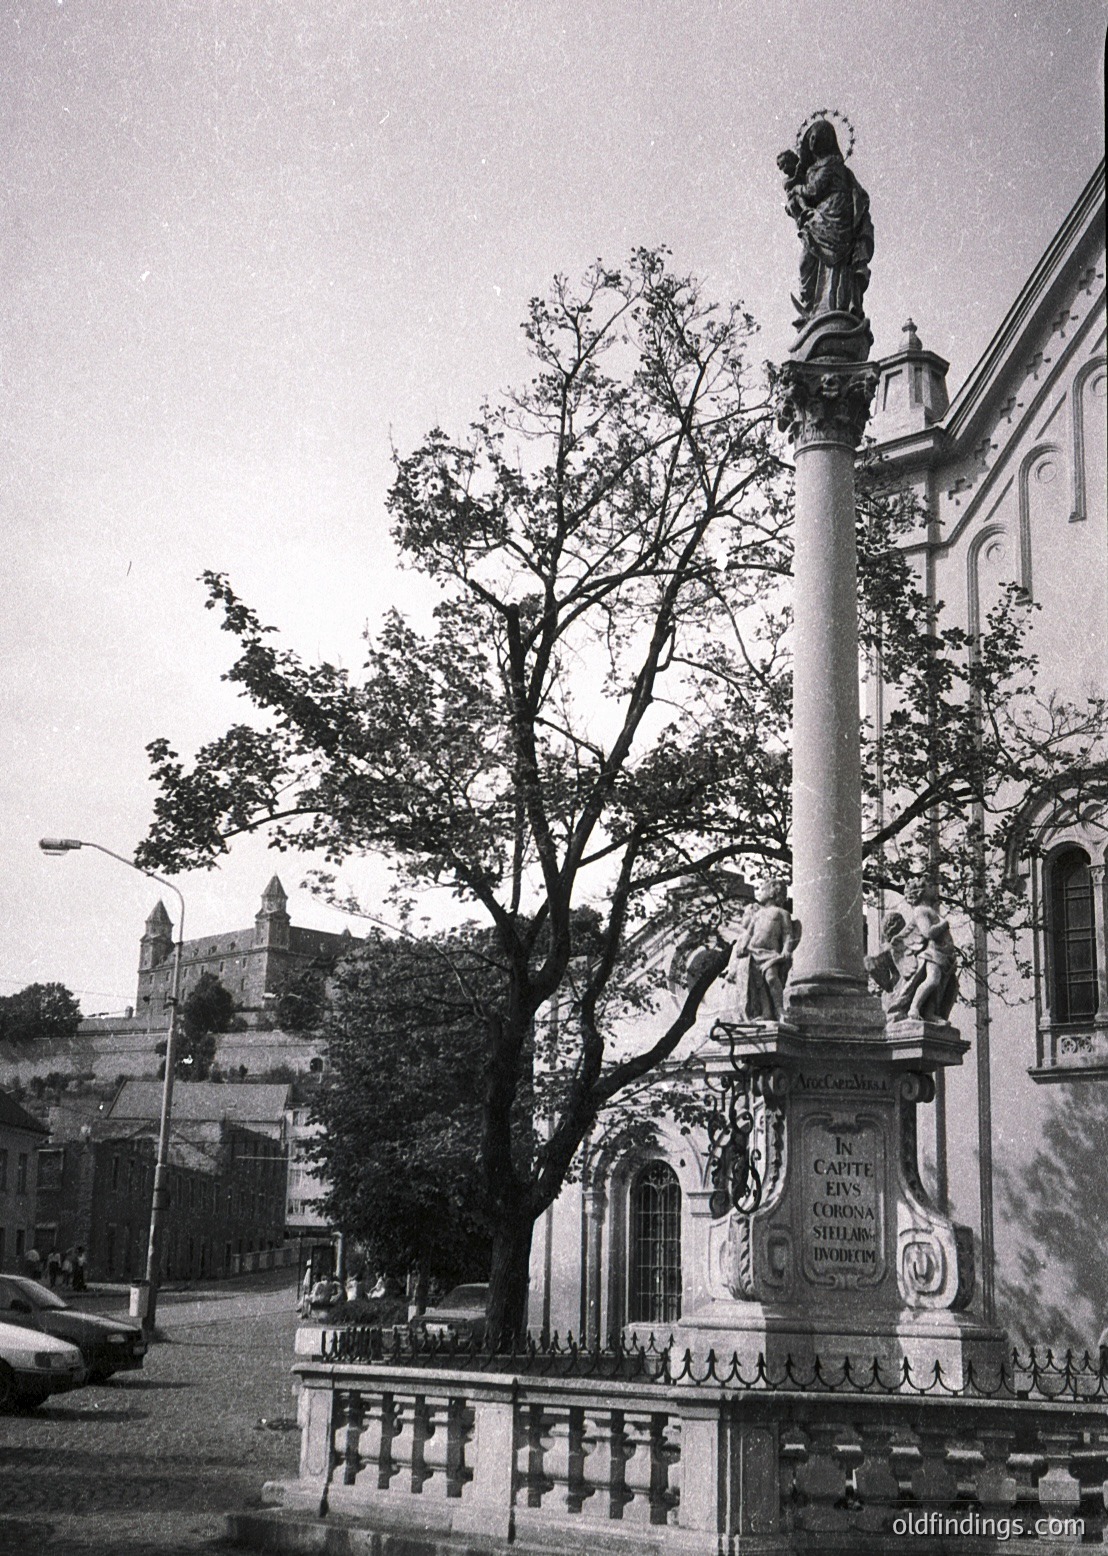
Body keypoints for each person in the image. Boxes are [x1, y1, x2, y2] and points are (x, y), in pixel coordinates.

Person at [778, 118, 874, 324]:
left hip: (834, 215)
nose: (812, 143)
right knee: (807, 262)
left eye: (816, 137)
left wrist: (796, 189)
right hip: (818, 219)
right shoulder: (816, 166)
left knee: (834, 265)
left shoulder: (832, 164)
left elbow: (813, 190)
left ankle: (832, 308)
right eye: (810, 139)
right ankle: (812, 306)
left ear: (827, 139)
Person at [723, 878, 802, 1021]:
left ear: (773, 892)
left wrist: (786, 949)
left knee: (771, 978)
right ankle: (766, 1012)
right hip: (753, 952)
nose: (760, 893)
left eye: (763, 890)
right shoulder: (757, 914)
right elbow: (749, 933)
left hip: (771, 954)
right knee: (759, 985)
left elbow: (788, 933)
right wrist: (743, 946)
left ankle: (779, 1008)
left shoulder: (781, 913)